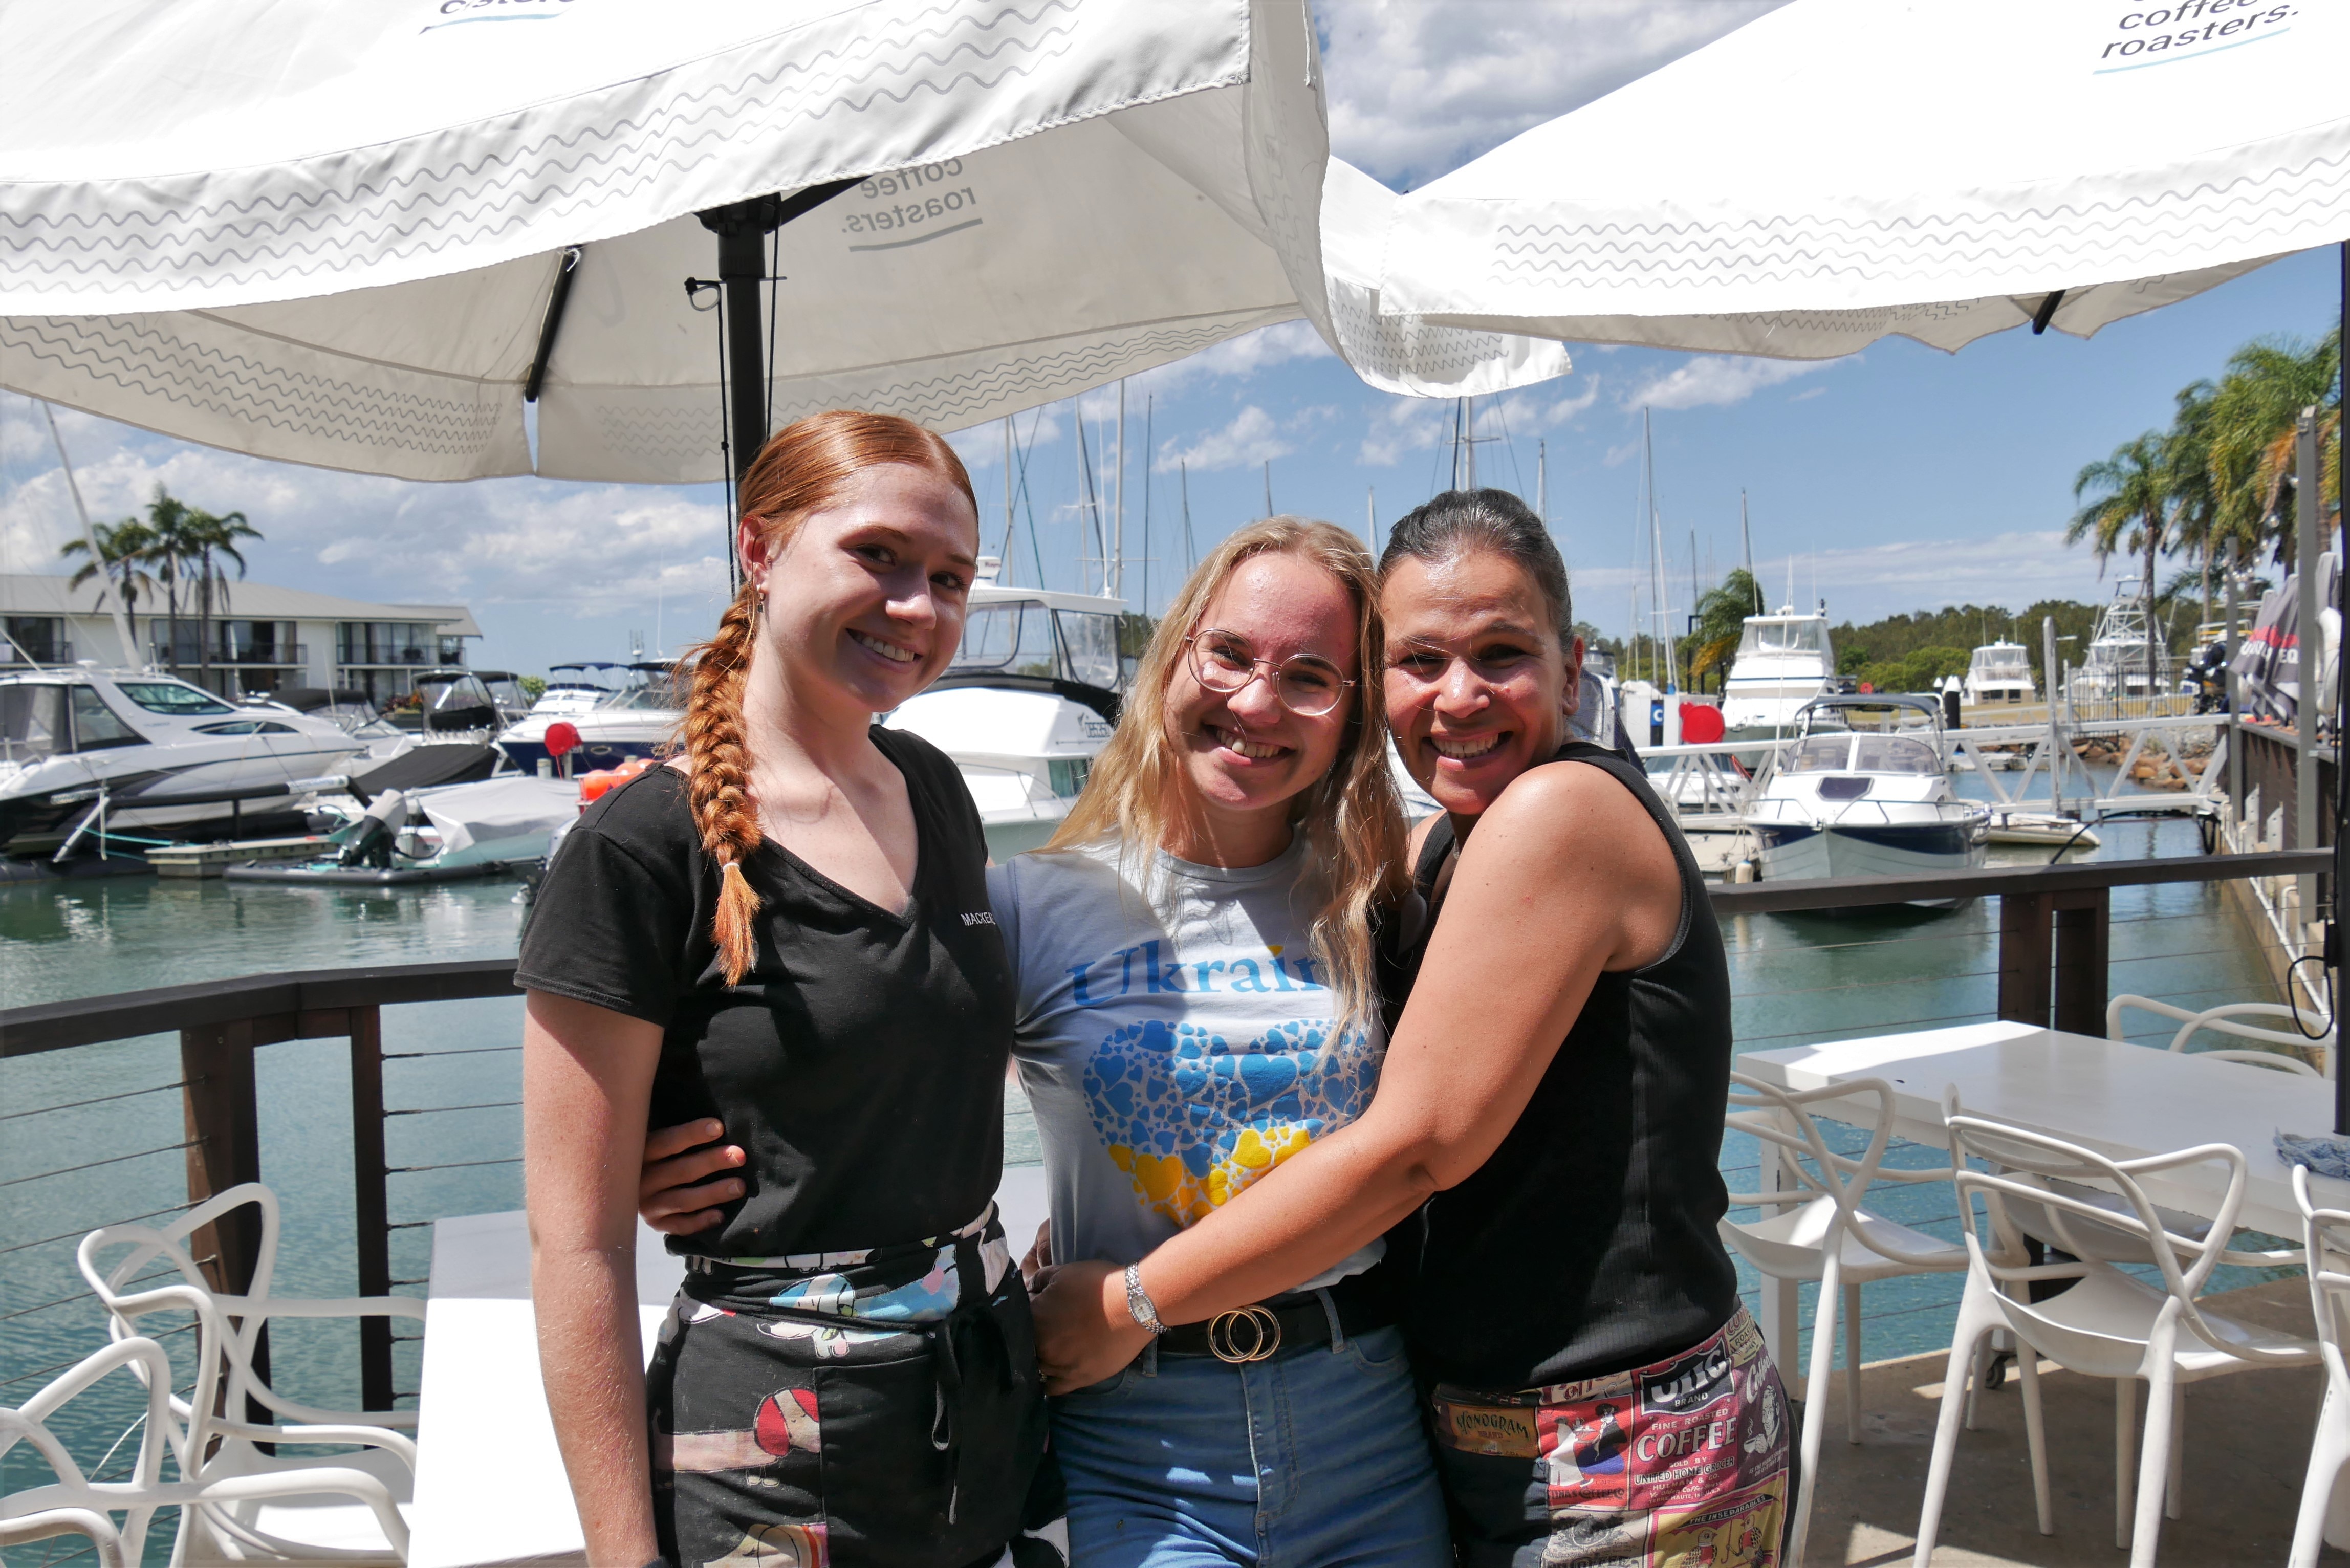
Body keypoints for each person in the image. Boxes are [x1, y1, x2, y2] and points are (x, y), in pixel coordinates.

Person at [643, 517, 1452, 1568]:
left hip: (1369, 1421)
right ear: (1174, 658)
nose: (1256, 702)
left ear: (1352, 715)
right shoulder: (1032, 904)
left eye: (1311, 676)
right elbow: (861, 1069)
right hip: (1132, 1428)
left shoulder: (1385, 900)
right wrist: (674, 1152)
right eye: (1231, 655)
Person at [1027, 489, 1789, 1568]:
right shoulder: (1439, 853)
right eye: (1421, 659)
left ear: (1572, 671)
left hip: (1619, 1446)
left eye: (1502, 653)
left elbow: (1419, 1144)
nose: (1459, 695)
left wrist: (1134, 1298)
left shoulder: (1557, 811)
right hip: (1480, 1440)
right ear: (1377, 686)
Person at [519, 410, 1052, 1568]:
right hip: (774, 1440)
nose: (917, 605)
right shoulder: (642, 845)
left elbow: (922, 1053)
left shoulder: (937, 790)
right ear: (758, 551)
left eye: (950, 578)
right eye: (879, 556)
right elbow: (578, 1250)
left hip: (985, 1412)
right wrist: (623, 1556)